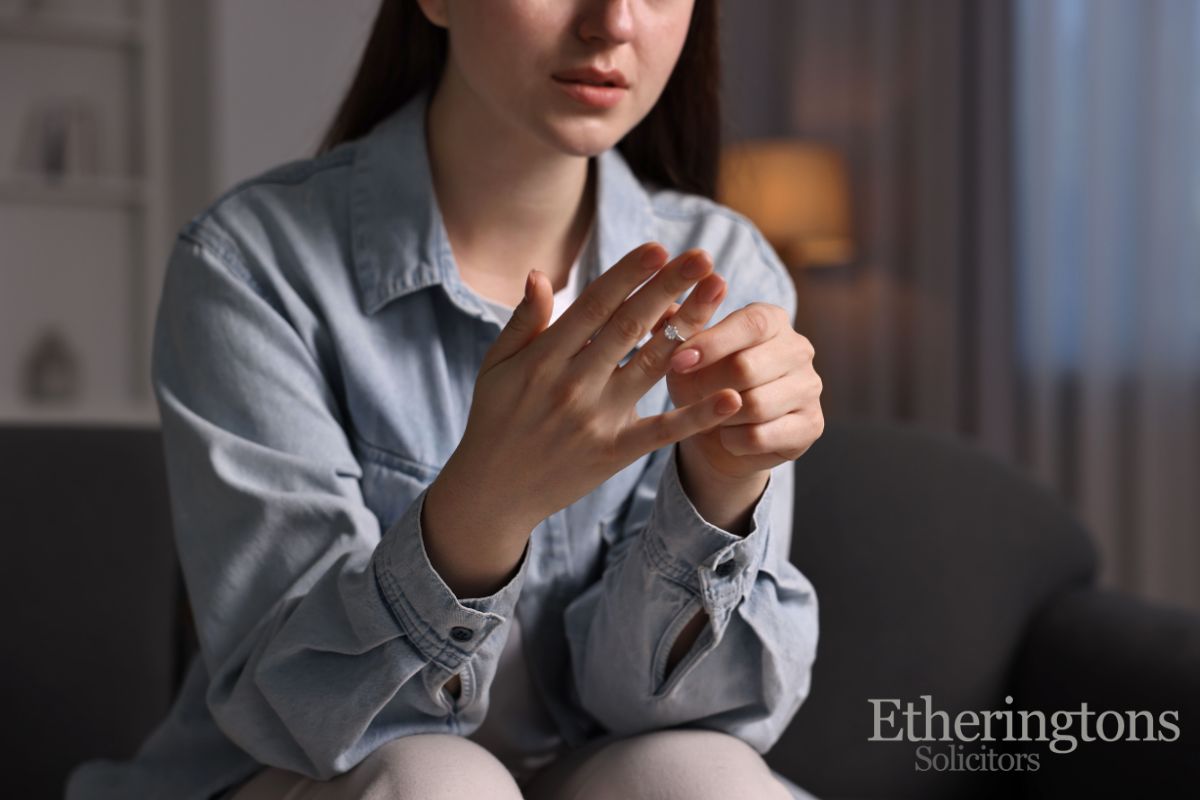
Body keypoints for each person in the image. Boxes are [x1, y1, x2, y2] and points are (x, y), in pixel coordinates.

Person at [65, 1, 824, 798]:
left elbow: (686, 714)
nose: (613, 21)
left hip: (595, 770)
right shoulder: (252, 265)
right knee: (435, 781)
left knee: (707, 778)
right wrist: (488, 501)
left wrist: (722, 489)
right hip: (306, 776)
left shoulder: (729, 267)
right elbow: (304, 713)